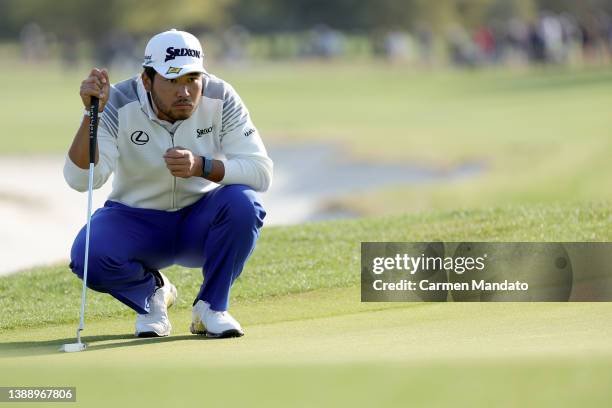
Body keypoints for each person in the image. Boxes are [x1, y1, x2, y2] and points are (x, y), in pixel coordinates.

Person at [64, 29, 272, 339]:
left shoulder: (220, 95)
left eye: (191, 79)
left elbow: (260, 172)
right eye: (172, 81)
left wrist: (201, 166)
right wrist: (91, 113)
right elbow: (80, 179)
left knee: (244, 204)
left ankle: (211, 308)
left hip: (199, 221)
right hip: (136, 220)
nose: (185, 91)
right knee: (89, 254)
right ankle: (152, 296)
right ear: (147, 80)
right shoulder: (118, 102)